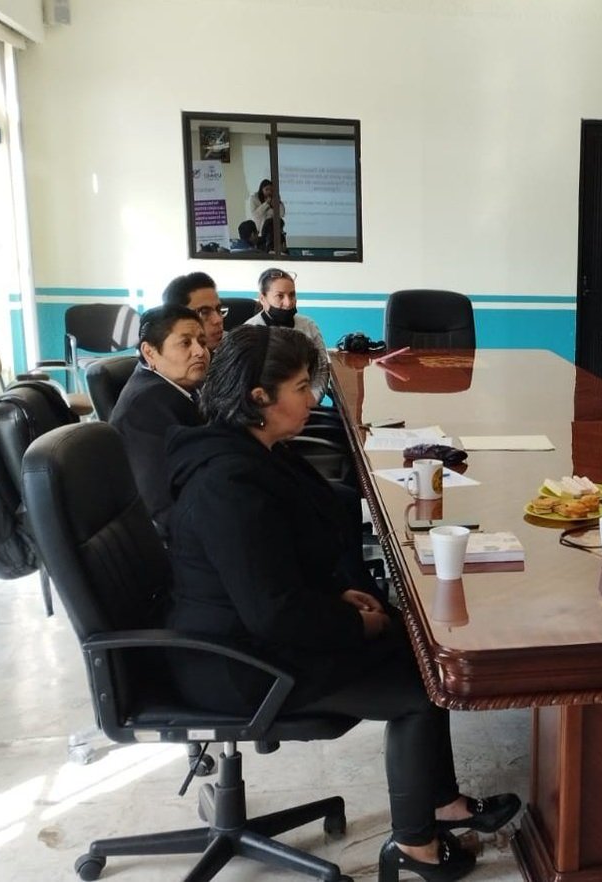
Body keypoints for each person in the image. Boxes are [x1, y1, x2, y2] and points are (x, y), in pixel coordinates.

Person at [165, 326, 520, 882]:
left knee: (419, 647)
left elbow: (273, 573)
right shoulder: (227, 485)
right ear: (260, 397)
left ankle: (441, 801)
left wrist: (336, 597)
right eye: (302, 387)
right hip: (234, 662)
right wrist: (356, 626)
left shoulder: (258, 453)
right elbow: (272, 611)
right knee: (416, 689)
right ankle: (415, 846)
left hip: (252, 632)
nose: (314, 399)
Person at [110, 305, 208, 535]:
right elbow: (161, 506)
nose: (200, 352)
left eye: (202, 342)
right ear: (150, 352)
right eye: (186, 343)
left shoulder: (179, 389)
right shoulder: (145, 408)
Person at [244, 268, 329, 401]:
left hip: (306, 404)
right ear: (262, 298)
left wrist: (312, 398)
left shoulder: (309, 326)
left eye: (292, 295)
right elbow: (243, 381)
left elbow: (321, 370)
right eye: (280, 296)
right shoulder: (249, 331)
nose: (288, 303)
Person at [161, 271, 226, 352]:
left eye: (219, 310)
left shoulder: (235, 346)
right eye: (204, 312)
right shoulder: (162, 360)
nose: (218, 320)